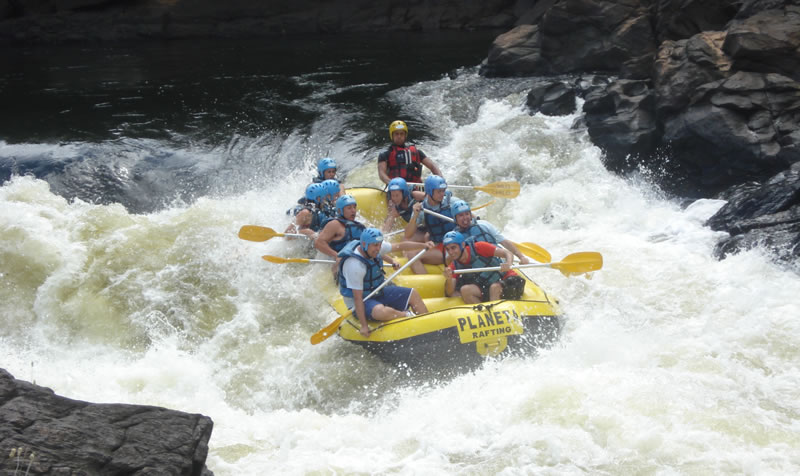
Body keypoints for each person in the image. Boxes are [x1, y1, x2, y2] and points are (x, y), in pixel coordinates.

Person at [338, 228, 432, 337]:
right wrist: (364, 326)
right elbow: (358, 298)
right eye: (375, 245)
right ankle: (406, 315)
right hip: (361, 300)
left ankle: (428, 325)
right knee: (379, 311)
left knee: (413, 293)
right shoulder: (355, 265)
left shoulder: (372, 247)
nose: (378, 248)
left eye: (380, 244)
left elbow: (400, 246)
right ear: (364, 244)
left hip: (377, 291)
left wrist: (423, 245)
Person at [442, 231, 527, 303]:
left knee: (494, 288)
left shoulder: (479, 247)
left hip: (510, 280)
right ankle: (485, 314)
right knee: (465, 290)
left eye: (453, 248)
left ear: (463, 245)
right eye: (448, 249)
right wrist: (448, 279)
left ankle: (495, 314)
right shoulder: (454, 265)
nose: (451, 252)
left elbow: (507, 253)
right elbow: (449, 293)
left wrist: (508, 263)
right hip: (489, 287)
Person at [450, 199, 531, 265]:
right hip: (474, 271)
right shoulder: (453, 236)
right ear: (455, 218)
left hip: (496, 264)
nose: (465, 218)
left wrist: (521, 257)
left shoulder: (483, 225)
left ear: (471, 215)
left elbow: (504, 242)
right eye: (460, 215)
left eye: (467, 214)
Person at [404, 174, 456, 273]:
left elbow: (469, 216)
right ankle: (426, 283)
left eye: (443, 191)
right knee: (411, 254)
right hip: (440, 247)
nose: (442, 194)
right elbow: (408, 234)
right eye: (439, 191)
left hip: (455, 245)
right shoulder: (422, 208)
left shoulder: (451, 202)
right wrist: (415, 215)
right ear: (429, 192)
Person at [378, 120, 443, 185]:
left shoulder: (417, 152)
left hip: (416, 187)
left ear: (405, 135)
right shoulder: (385, 155)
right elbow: (382, 174)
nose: (399, 136)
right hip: (396, 190)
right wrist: (392, 184)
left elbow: (432, 166)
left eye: (401, 134)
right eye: (396, 134)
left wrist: (441, 180)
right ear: (392, 135)